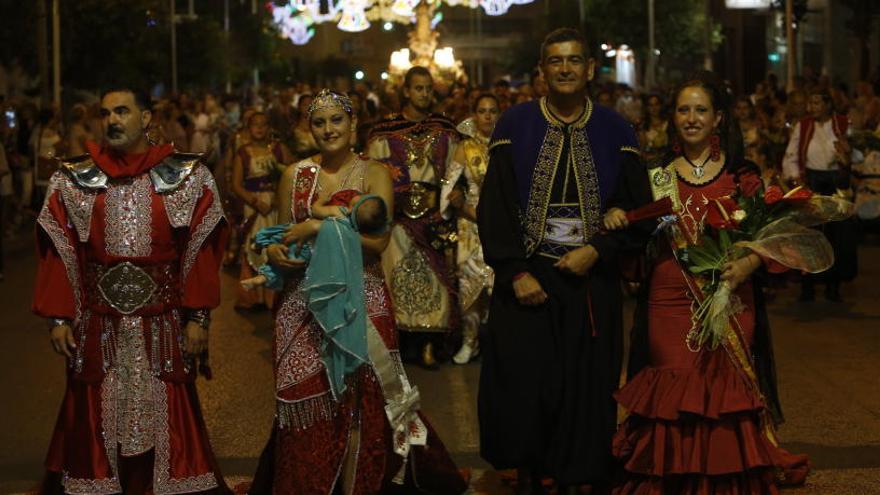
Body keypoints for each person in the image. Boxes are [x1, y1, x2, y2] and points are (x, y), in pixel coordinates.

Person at [250, 89, 466, 494]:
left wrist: (319, 227)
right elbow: (280, 236)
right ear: (308, 128)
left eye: (336, 120)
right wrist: (277, 253)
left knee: (360, 402)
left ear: (352, 126)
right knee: (304, 400)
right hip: (301, 302)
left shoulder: (374, 173)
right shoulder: (294, 175)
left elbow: (378, 243)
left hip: (361, 300)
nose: (328, 129)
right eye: (319, 122)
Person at [605, 71, 810, 494]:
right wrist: (615, 216)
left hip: (731, 295)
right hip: (668, 298)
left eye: (701, 110)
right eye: (684, 109)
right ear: (672, 118)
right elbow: (630, 223)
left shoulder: (743, 175)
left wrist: (750, 263)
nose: (692, 118)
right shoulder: (654, 173)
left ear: (718, 118)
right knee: (674, 381)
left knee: (723, 387)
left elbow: (776, 235)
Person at [476, 28, 650, 495]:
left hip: (591, 282)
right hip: (527, 281)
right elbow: (493, 208)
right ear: (542, 72)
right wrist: (515, 271)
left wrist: (599, 250)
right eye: (556, 62)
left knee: (586, 383)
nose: (566, 69)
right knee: (525, 383)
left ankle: (581, 475)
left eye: (575, 60)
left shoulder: (617, 130)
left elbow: (640, 212)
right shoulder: (514, 124)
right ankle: (531, 472)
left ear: (591, 69)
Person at [33, 87, 230, 494]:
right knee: (93, 411)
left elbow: (200, 248)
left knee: (168, 410)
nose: (113, 121)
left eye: (122, 111)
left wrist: (198, 316)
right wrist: (58, 316)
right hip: (97, 327)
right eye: (105, 114)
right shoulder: (73, 179)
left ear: (146, 118)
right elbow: (60, 249)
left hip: (161, 327)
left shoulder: (187, 177)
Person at [367, 66, 461, 368]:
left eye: (428, 88)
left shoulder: (445, 129)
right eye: (418, 88)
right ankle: (403, 341)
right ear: (406, 91)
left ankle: (429, 343)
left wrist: (452, 194)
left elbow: (457, 170)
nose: (424, 94)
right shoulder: (385, 131)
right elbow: (372, 170)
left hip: (435, 215)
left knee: (435, 279)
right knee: (398, 277)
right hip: (398, 219)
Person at [782, 88, 858, 302]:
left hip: (836, 185)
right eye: (810, 103)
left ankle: (833, 287)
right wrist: (795, 177)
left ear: (827, 104)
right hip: (812, 183)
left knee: (836, 237)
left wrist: (848, 153)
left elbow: (856, 150)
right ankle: (808, 287)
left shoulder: (843, 123)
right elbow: (792, 153)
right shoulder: (803, 126)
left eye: (817, 103)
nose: (812, 107)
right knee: (809, 238)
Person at [443, 93, 500, 364]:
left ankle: (498, 344)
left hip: (502, 224)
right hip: (471, 225)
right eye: (482, 110)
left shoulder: (507, 145)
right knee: (469, 288)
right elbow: (448, 189)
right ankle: (469, 341)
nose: (487, 116)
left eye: (492, 111)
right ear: (474, 115)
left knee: (500, 288)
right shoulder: (464, 148)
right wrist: (460, 203)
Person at [240, 192, 388, 290]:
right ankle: (262, 278)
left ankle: (259, 243)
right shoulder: (354, 229)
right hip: (312, 254)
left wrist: (322, 200)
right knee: (286, 261)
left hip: (303, 239)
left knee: (278, 232)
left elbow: (315, 210)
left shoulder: (340, 212)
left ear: (353, 208)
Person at [231, 111, 293, 309]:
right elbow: (236, 184)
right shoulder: (242, 153)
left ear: (269, 127)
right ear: (249, 128)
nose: (259, 128)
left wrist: (277, 196)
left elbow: (290, 174)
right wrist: (255, 202)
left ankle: (273, 296)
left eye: (263, 124)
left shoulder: (278, 149)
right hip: (254, 207)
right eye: (255, 125)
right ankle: (255, 297)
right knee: (254, 247)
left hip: (276, 207)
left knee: (275, 245)